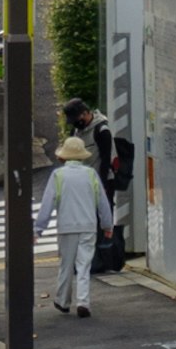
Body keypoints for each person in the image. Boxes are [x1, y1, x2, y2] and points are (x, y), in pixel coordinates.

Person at [45, 129, 109, 319]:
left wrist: (38, 228)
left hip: (67, 226)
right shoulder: (91, 174)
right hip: (88, 225)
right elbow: (102, 202)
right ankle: (83, 301)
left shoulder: (58, 175)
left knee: (66, 265)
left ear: (64, 157)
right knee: (84, 265)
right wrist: (107, 225)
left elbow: (48, 203)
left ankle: (63, 301)